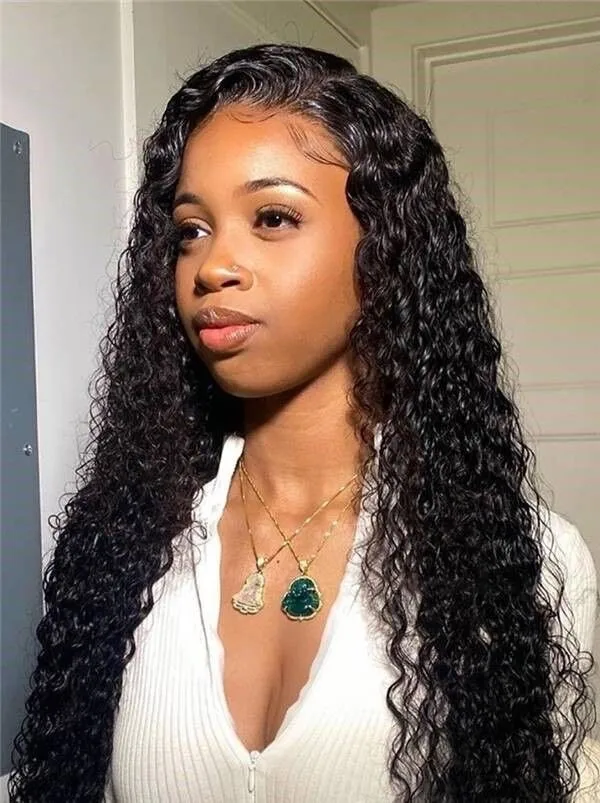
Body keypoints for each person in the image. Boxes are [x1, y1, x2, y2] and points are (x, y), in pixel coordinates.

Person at [7, 42, 599, 802]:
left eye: (273, 217)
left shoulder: (523, 559)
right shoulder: (127, 541)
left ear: (385, 248)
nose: (212, 266)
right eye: (191, 230)